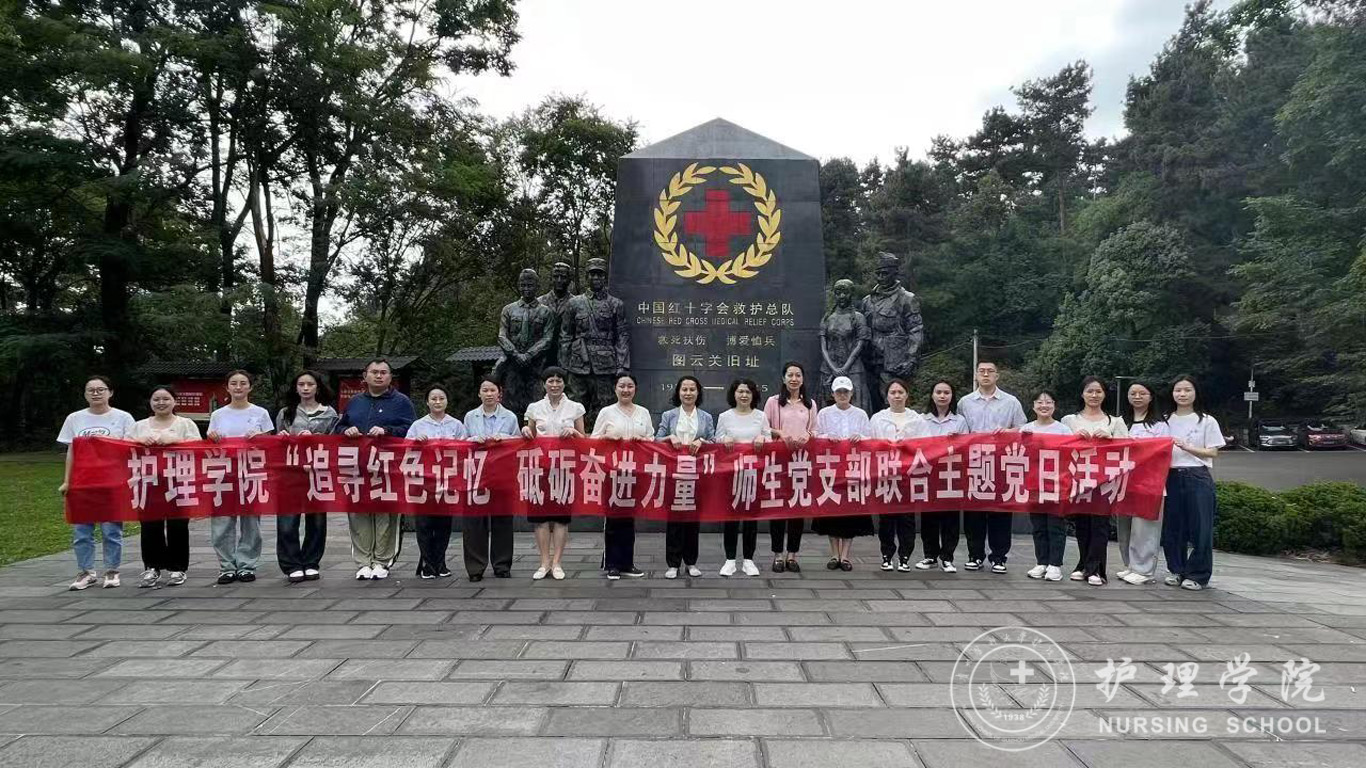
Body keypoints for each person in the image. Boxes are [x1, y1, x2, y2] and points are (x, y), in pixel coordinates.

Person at [336, 359, 415, 581]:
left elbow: (411, 429)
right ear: (365, 376)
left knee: (386, 515)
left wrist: (388, 430)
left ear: (390, 377)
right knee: (358, 514)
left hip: (388, 468)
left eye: (383, 372)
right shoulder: (355, 402)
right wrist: (346, 430)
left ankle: (382, 560)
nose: (378, 376)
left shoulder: (402, 402)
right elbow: (339, 426)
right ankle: (363, 561)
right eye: (374, 372)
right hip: (358, 467)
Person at [57, 376, 136, 590]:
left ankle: (112, 570)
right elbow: (71, 451)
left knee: (111, 529)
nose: (96, 393)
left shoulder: (123, 418)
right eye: (90, 390)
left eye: (101, 389)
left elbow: (130, 450)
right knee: (81, 531)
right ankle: (86, 572)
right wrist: (67, 481)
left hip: (112, 482)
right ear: (85, 394)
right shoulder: (75, 418)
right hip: (82, 483)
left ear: (110, 392)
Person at [206, 370, 274, 585]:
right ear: (227, 387)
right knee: (222, 521)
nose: (238, 387)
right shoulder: (218, 415)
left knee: (251, 521)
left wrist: (260, 438)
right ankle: (226, 566)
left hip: (251, 470)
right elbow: (211, 440)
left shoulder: (260, 413)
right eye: (233, 383)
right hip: (223, 471)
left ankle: (246, 565)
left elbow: (270, 442)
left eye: (243, 383)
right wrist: (213, 438)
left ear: (250, 387)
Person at [958, 362, 1027, 573]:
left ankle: (999, 557)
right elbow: (960, 429)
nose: (986, 374)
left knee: (1001, 511)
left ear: (997, 375)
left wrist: (1008, 432)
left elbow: (1023, 428)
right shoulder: (965, 402)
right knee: (974, 513)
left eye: (990, 371)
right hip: (974, 462)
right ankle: (975, 555)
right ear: (976, 375)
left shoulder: (1011, 402)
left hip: (1002, 462)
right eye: (982, 371)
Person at [1061, 376, 1130, 586]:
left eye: (1098, 391)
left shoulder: (1115, 422)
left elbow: (1128, 449)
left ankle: (1095, 570)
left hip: (1105, 481)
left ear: (1104, 394)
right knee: (1082, 524)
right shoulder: (1069, 420)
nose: (1094, 395)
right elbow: (1058, 447)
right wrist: (1073, 438)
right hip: (1079, 479)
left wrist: (1111, 440)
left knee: (1100, 525)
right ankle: (1084, 565)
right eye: (1089, 391)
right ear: (1082, 393)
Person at [131, 386, 200, 588]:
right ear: (150, 402)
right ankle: (152, 567)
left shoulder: (185, 424)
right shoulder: (139, 426)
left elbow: (199, 447)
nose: (161, 403)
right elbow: (123, 448)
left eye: (166, 399)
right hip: (148, 482)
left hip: (179, 481)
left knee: (178, 525)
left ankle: (178, 568)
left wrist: (177, 440)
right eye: (156, 399)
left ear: (174, 401)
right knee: (149, 525)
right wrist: (138, 441)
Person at [274, 371, 338, 584]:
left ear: (317, 387)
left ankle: (311, 561)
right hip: (290, 473)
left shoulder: (329, 413)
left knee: (317, 521)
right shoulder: (286, 413)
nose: (305, 388)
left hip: (318, 472)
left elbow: (335, 443)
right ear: (296, 387)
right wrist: (282, 438)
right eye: (301, 384)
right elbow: (276, 442)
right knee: (287, 521)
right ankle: (291, 564)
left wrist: (316, 438)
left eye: (310, 384)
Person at [522, 366, 585, 581]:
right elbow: (529, 434)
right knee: (539, 518)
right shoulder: (534, 408)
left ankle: (557, 563)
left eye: (559, 380)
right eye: (551, 380)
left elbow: (584, 439)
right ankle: (544, 562)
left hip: (564, 468)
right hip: (539, 467)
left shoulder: (575, 408)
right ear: (544, 384)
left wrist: (573, 432)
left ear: (565, 384)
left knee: (560, 519)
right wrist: (525, 430)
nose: (555, 384)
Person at [1163, 375, 1224, 591]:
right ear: (1172, 393)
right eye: (1178, 390)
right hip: (1170, 477)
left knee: (1201, 528)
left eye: (1187, 390)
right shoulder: (1164, 420)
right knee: (1173, 527)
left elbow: (1213, 452)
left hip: (1197, 476)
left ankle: (1198, 574)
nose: (1182, 394)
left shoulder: (1206, 420)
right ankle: (1176, 570)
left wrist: (1188, 447)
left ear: (1195, 393)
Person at [591, 372, 652, 580]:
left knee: (629, 519)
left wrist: (643, 440)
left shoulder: (643, 412)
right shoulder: (606, 412)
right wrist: (606, 437)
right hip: (612, 472)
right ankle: (612, 564)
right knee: (613, 518)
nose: (626, 390)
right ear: (615, 389)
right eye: (622, 386)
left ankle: (627, 562)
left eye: (630, 386)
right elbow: (593, 440)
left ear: (635, 389)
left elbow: (651, 439)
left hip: (635, 472)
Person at [813, 376, 876, 571]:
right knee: (832, 510)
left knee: (850, 511)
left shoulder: (860, 414)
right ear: (833, 394)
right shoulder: (824, 413)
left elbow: (870, 438)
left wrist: (861, 437)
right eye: (839, 392)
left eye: (845, 392)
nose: (842, 395)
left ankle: (846, 556)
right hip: (831, 468)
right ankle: (834, 554)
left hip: (853, 468)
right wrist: (826, 437)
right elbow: (815, 436)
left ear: (851, 393)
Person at [655, 375, 714, 579]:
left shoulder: (706, 417)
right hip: (674, 473)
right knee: (674, 520)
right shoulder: (669, 415)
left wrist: (702, 440)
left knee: (692, 520)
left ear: (698, 393)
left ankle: (691, 562)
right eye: (684, 389)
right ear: (678, 392)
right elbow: (656, 439)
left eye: (692, 389)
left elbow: (714, 440)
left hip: (696, 474)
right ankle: (673, 564)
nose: (688, 393)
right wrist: (669, 437)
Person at [462, 376, 519, 582]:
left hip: (502, 474)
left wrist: (505, 439)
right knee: (474, 523)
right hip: (476, 474)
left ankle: (502, 565)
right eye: (484, 390)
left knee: (502, 520)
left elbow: (519, 441)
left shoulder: (510, 417)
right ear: (479, 393)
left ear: (499, 393)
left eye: (492, 390)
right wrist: (472, 440)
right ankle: (475, 568)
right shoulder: (470, 416)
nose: (488, 394)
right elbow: (460, 442)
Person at [868, 379, 927, 572]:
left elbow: (926, 445)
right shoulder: (878, 418)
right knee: (886, 518)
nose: (897, 396)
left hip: (908, 475)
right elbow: (870, 444)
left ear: (907, 395)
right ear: (887, 396)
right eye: (893, 392)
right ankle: (887, 555)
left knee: (906, 518)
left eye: (900, 392)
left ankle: (904, 556)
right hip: (885, 474)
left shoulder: (917, 419)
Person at [409, 385, 467, 580]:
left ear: (447, 401)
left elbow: (466, 449)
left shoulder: (456, 425)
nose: (437, 402)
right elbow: (404, 449)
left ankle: (440, 562)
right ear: (427, 402)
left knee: (443, 524)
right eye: (433, 398)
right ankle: (427, 563)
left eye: (441, 398)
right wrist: (415, 441)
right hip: (423, 482)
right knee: (424, 523)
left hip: (447, 481)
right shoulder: (418, 425)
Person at [764, 361, 816, 573]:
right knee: (777, 508)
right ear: (783, 378)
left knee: (797, 508)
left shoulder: (810, 404)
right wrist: (780, 433)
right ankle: (777, 555)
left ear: (802, 379)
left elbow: (815, 430)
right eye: (790, 375)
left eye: (798, 375)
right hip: (778, 461)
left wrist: (808, 435)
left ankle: (792, 555)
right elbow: (764, 427)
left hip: (801, 461)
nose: (794, 379)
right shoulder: (773, 402)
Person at [914, 380, 968, 573]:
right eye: (939, 392)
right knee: (929, 517)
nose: (942, 396)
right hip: (928, 474)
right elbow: (916, 444)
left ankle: (947, 557)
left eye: (946, 392)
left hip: (951, 474)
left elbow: (967, 447)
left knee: (950, 518)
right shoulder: (922, 419)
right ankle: (930, 556)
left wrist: (957, 440)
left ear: (952, 396)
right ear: (932, 395)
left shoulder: (960, 421)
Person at [1119, 381, 1169, 586]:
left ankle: (1144, 570)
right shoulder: (1122, 422)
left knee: (1145, 528)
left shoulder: (1159, 425)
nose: (1137, 397)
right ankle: (1130, 565)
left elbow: (1163, 453)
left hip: (1149, 483)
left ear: (1151, 397)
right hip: (1124, 483)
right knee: (1125, 527)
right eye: (1133, 393)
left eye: (1142, 393)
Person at [1020, 391, 1072, 583]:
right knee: (1039, 526)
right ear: (1033, 406)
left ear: (1054, 405)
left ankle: (1055, 564)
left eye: (1048, 402)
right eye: (1039, 402)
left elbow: (1070, 455)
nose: (1044, 405)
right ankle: (1041, 562)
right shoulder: (1026, 429)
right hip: (1034, 484)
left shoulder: (1063, 430)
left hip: (1057, 484)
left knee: (1055, 525)